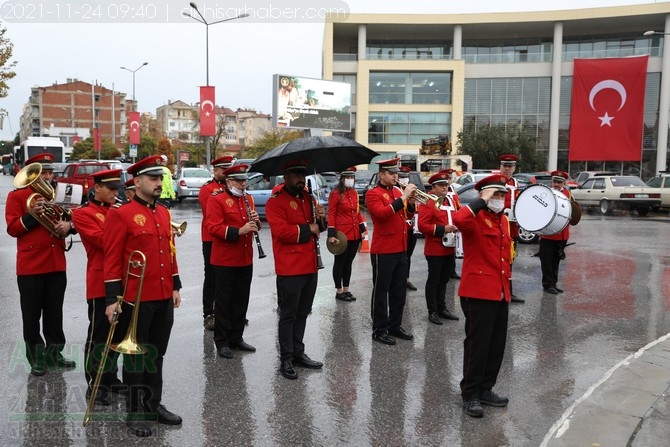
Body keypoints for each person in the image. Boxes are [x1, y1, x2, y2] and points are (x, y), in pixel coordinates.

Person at [103, 155, 182, 437]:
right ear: (137, 182)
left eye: (161, 178)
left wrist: (175, 286)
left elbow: (169, 252)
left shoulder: (163, 212)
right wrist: (111, 300)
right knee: (137, 359)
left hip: (162, 295)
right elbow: (111, 259)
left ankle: (153, 404)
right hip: (136, 298)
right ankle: (135, 411)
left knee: (157, 353)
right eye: (153, 178)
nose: (159, 183)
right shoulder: (120, 214)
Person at [5, 152, 77, 377]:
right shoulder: (17, 197)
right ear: (30, 174)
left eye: (49, 172)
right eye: (42, 172)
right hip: (31, 267)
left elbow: (73, 218)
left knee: (55, 314)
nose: (47, 176)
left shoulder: (59, 194)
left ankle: (55, 354)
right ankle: (36, 358)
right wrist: (32, 215)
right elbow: (13, 229)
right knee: (31, 315)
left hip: (56, 264)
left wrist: (70, 226)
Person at [452, 174, 513, 418]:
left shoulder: (504, 221)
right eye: (494, 194)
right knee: (478, 345)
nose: (499, 198)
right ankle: (470, 393)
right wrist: (481, 200)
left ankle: (486, 388)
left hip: (500, 289)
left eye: (501, 194)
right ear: (483, 195)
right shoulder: (474, 217)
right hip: (478, 291)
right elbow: (458, 219)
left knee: (496, 345)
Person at [266, 160, 327, 380]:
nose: (301, 180)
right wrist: (310, 227)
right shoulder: (276, 201)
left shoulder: (308, 198)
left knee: (303, 312)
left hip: (310, 265)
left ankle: (299, 353)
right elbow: (282, 231)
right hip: (290, 267)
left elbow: (320, 228)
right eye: (296, 176)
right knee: (288, 315)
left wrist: (321, 217)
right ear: (286, 177)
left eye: (303, 176)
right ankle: (286, 358)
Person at [72, 169, 126, 405]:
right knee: (98, 335)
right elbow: (107, 242)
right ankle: (95, 383)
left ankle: (111, 376)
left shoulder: (117, 211)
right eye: (112, 189)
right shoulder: (83, 214)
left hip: (123, 280)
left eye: (117, 189)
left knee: (118, 333)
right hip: (100, 281)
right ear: (97, 188)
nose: (116, 193)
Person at [205, 164, 259, 359]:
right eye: (239, 180)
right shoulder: (217, 199)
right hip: (225, 260)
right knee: (223, 303)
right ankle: (221, 341)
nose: (243, 184)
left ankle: (236, 338)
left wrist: (256, 222)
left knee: (240, 300)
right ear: (228, 181)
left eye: (244, 180)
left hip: (245, 258)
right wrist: (239, 231)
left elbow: (254, 225)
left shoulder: (248, 198)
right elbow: (213, 227)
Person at [365, 158, 417, 345]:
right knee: (381, 291)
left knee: (399, 291)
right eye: (391, 173)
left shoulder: (396, 190)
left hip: (401, 248)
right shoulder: (373, 193)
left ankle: (395, 325)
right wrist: (403, 198)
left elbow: (408, 215)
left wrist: (410, 202)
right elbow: (382, 214)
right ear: (381, 174)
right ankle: (379, 329)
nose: (395, 176)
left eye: (396, 173)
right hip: (384, 250)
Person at [418, 170, 460, 325]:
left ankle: (442, 308)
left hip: (450, 247)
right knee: (434, 280)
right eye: (441, 185)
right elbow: (422, 225)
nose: (445, 188)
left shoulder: (450, 200)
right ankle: (433, 311)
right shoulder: (428, 201)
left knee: (444, 280)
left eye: (446, 185)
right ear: (433, 187)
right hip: (435, 248)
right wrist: (443, 229)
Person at [198, 156, 234, 331]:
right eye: (223, 170)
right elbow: (212, 215)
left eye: (228, 170)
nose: (226, 173)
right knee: (212, 277)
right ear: (215, 171)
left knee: (228, 278)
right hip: (211, 239)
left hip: (230, 238)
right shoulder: (208, 189)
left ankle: (227, 312)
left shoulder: (231, 188)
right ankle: (209, 313)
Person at [327, 167, 366, 302]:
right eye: (348, 177)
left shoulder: (354, 193)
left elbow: (357, 212)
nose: (350, 180)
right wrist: (331, 234)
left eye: (352, 177)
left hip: (354, 233)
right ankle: (338, 291)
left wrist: (363, 230)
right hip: (341, 235)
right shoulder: (335, 194)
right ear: (342, 179)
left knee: (348, 263)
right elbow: (331, 214)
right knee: (340, 263)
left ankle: (346, 289)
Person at [540, 170, 571, 295]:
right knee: (546, 261)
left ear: (564, 183)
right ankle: (547, 284)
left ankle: (554, 283)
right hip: (548, 234)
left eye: (559, 182)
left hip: (562, 234)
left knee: (556, 260)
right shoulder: (547, 193)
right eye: (554, 181)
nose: (556, 184)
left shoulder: (567, 193)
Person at [499, 154, 525, 303]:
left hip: (512, 229)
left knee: (509, 262)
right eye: (504, 165)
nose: (507, 169)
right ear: (500, 166)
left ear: (514, 168)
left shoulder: (515, 183)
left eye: (510, 166)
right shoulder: (495, 182)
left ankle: (508, 291)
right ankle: (498, 290)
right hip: (498, 228)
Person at [398, 166, 418, 291]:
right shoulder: (396, 191)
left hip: (412, 227)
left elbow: (415, 209)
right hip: (401, 227)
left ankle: (406, 279)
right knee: (401, 256)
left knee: (408, 256)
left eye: (406, 177)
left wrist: (412, 202)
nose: (404, 179)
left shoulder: (411, 190)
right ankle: (399, 280)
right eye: (402, 177)